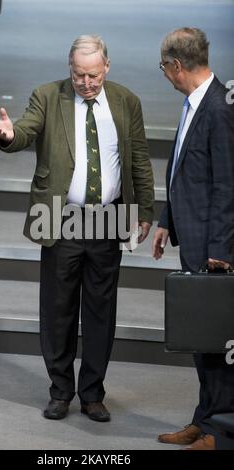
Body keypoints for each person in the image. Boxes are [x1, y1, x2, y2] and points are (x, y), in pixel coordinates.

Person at [0, 35, 154, 422]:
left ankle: (93, 393)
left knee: (101, 310)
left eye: (93, 75)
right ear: (70, 69)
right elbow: (26, 130)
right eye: (79, 75)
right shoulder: (48, 96)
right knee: (58, 308)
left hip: (109, 216)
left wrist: (145, 209)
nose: (86, 83)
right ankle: (61, 391)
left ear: (107, 68)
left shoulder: (126, 100)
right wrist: (9, 136)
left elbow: (140, 159)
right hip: (61, 216)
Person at [153, 27, 234, 450]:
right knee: (202, 337)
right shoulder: (194, 104)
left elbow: (227, 184)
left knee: (219, 343)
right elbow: (184, 169)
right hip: (194, 235)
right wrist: (167, 219)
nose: (164, 75)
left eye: (164, 67)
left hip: (214, 246)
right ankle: (203, 420)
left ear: (176, 66)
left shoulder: (220, 108)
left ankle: (220, 433)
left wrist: (221, 249)